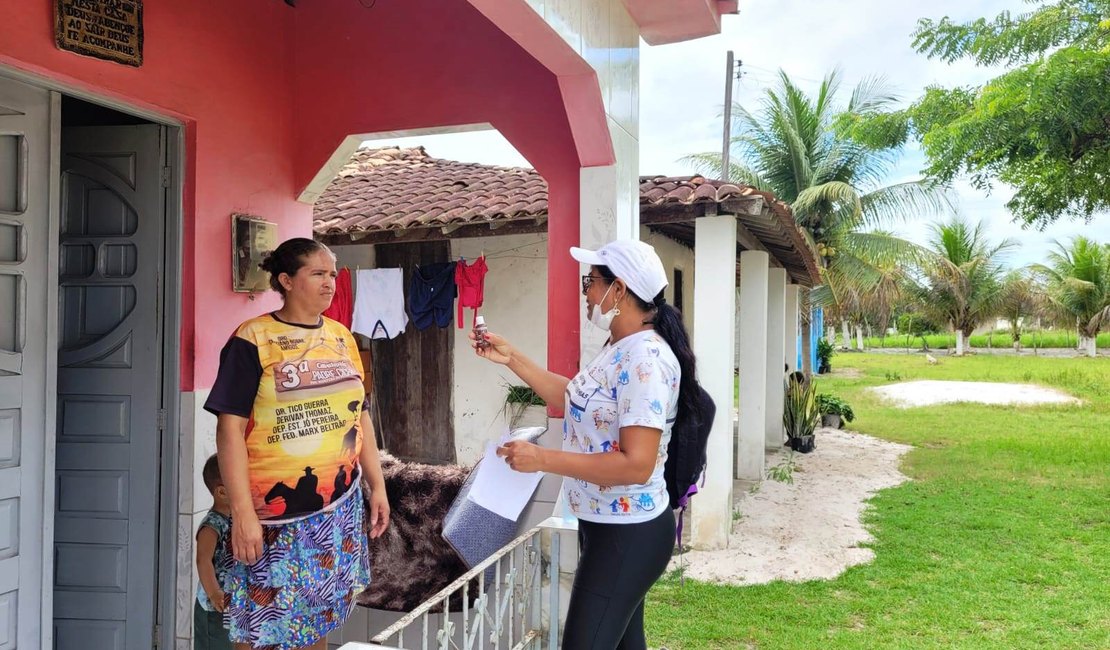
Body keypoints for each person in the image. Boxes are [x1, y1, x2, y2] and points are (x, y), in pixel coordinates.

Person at [471, 239, 708, 650]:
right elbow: (573, 398)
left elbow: (636, 464)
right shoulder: (619, 347)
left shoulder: (645, 360)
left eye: (590, 281)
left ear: (619, 290)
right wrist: (512, 358)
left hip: (628, 533)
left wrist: (543, 459)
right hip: (608, 527)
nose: (585, 292)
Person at [205, 237, 390, 650]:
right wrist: (242, 514)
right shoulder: (253, 339)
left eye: (332, 274)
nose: (330, 283)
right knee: (260, 624)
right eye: (318, 274)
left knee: (315, 621)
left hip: (335, 512)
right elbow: (229, 430)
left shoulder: (342, 338)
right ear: (286, 280)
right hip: (273, 517)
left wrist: (376, 487)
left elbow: (359, 416)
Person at [194, 454, 232, 650]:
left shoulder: (233, 519)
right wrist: (214, 593)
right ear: (222, 492)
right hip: (213, 608)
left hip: (229, 606)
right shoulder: (212, 524)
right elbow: (203, 560)